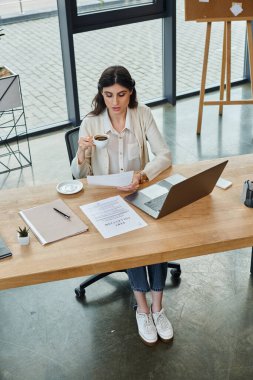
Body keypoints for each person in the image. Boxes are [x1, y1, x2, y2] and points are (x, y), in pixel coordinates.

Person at [71, 65, 174, 346]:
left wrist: (142, 175)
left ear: (131, 93)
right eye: (108, 95)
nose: (115, 102)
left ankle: (158, 307)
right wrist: (82, 152)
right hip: (105, 200)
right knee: (132, 242)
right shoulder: (91, 123)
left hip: (137, 192)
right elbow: (79, 176)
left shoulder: (143, 114)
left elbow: (164, 155)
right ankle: (142, 308)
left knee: (157, 238)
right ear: (101, 95)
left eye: (121, 94)